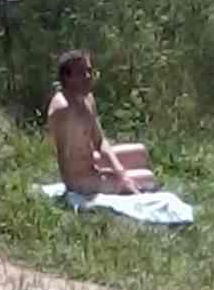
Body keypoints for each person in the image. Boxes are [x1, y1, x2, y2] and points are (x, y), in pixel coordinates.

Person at [46, 50, 156, 196]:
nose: (88, 77)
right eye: (81, 73)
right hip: (79, 179)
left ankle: (121, 178)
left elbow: (99, 141)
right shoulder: (63, 109)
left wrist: (120, 172)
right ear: (67, 77)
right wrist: (77, 187)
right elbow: (63, 157)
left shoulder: (87, 99)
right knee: (148, 178)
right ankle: (123, 183)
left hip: (92, 162)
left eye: (89, 71)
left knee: (140, 153)